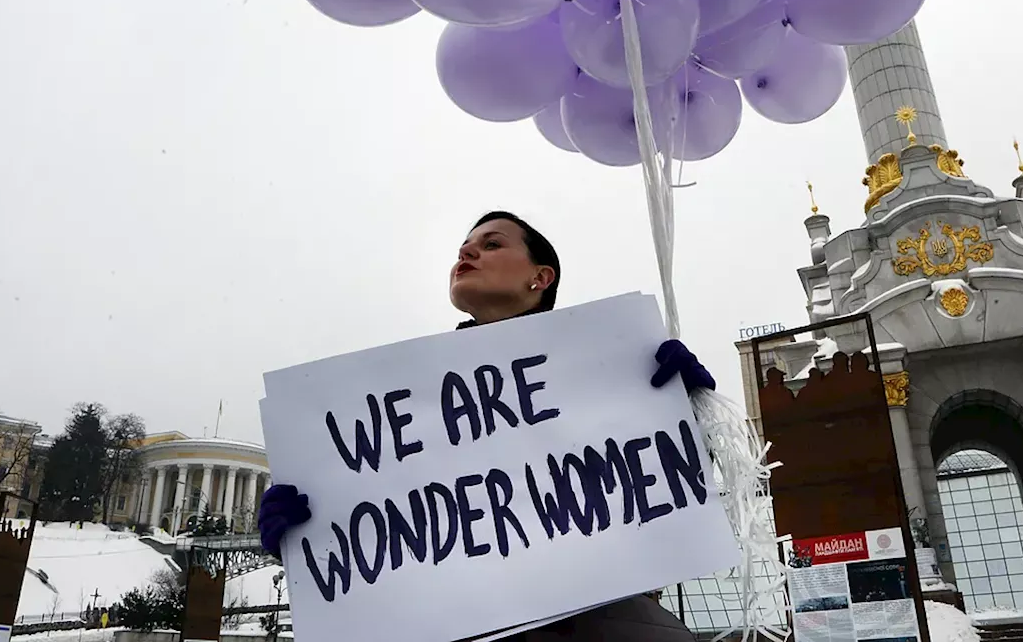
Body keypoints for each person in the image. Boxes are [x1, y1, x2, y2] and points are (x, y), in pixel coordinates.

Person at [258, 211, 715, 641]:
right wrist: (309, 541)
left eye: (491, 244)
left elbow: (662, 490)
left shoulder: (611, 373)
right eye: (463, 247)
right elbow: (401, 536)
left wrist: (692, 414)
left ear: (541, 277)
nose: (467, 253)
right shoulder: (412, 406)